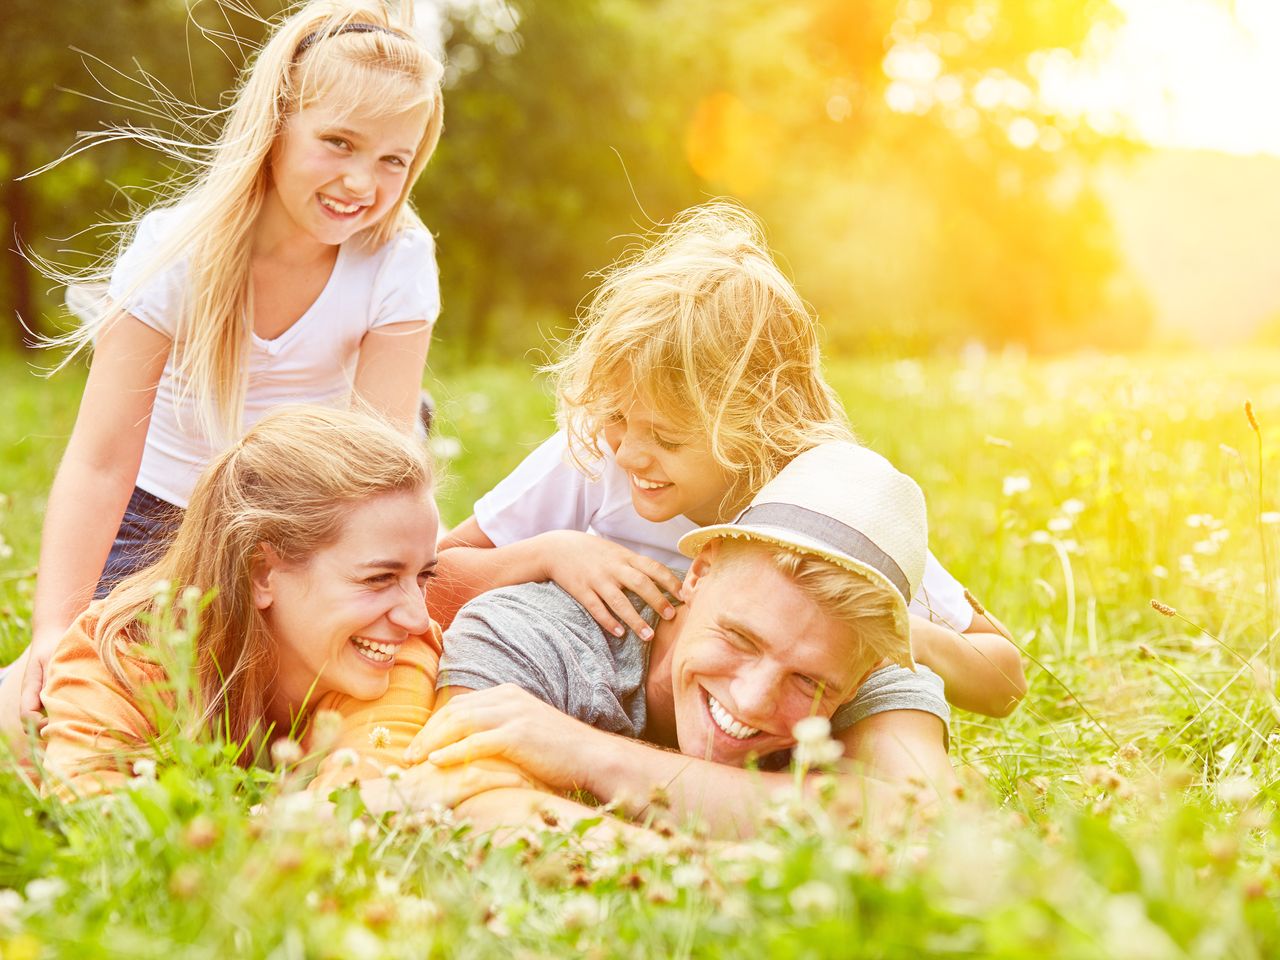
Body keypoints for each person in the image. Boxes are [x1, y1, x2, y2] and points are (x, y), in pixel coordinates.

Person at [22, 0, 447, 727]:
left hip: (313, 516)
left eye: (391, 160)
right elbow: (100, 464)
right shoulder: (179, 251)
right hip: (166, 516)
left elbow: (378, 468)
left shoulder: (397, 260)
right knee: (139, 685)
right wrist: (51, 634)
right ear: (277, 124)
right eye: (338, 143)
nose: (360, 183)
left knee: (320, 685)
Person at [429, 201, 1026, 717]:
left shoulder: (822, 501)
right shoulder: (591, 455)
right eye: (616, 416)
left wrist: (875, 624)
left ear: (755, 424)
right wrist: (548, 553)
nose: (630, 451)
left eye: (666, 438)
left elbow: (1003, 679)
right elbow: (426, 580)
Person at [406, 442, 956, 837]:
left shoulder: (865, 671)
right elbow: (465, 801)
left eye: (808, 681)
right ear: (699, 572)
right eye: (741, 638)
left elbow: (923, 826)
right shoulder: (533, 631)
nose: (752, 700)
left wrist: (590, 756)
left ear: (862, 676)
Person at [0, 406, 521, 806]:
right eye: (379, 577)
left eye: (423, 576)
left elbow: (367, 809)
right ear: (261, 571)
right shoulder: (122, 654)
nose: (413, 615)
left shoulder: (398, 653)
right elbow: (99, 822)